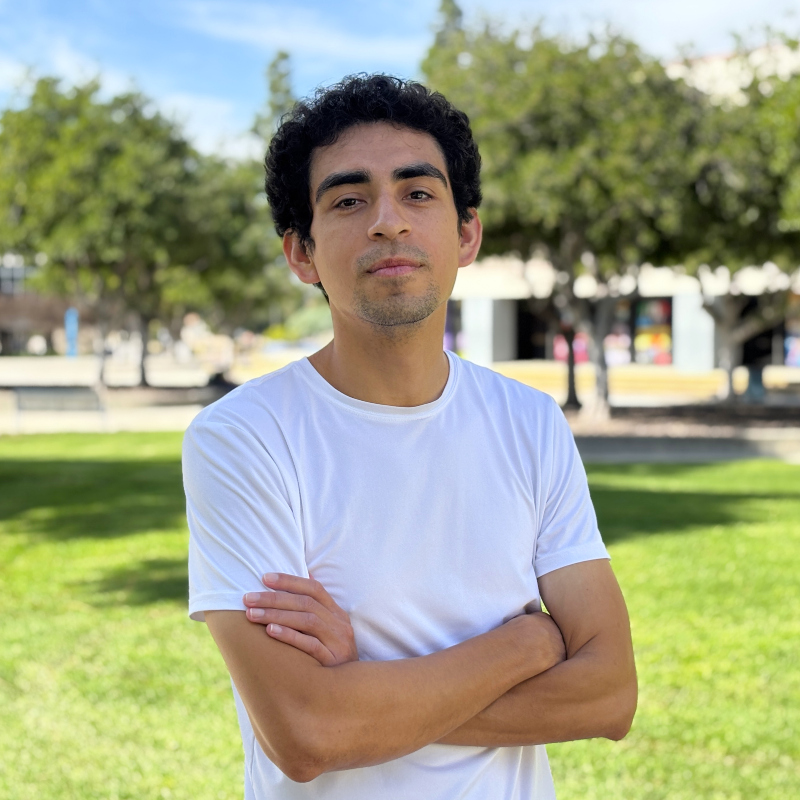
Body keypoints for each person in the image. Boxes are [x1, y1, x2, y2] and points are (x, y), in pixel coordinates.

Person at [183, 74, 637, 799]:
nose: (388, 222)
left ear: (466, 234)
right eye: (349, 199)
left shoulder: (529, 423)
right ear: (301, 254)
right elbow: (307, 734)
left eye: (418, 193)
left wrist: (365, 689)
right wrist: (528, 643)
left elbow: (609, 696)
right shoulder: (243, 438)